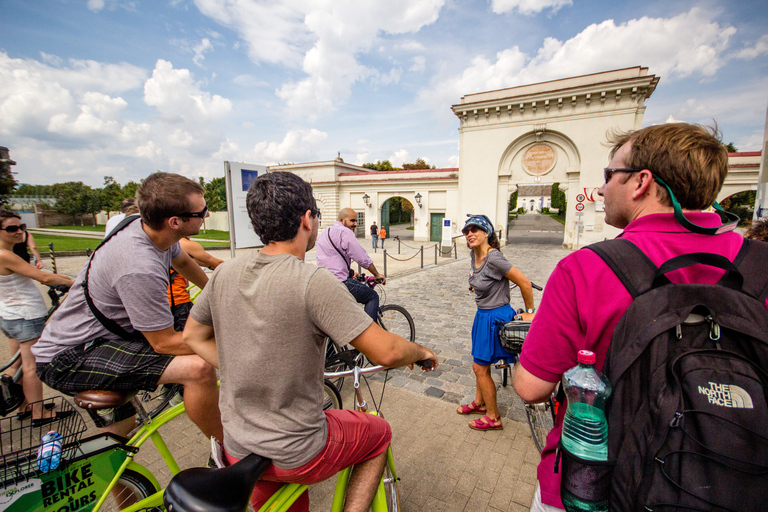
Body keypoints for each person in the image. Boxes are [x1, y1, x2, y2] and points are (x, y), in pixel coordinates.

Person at [512, 123, 768, 511]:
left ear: (640, 182)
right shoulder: (761, 266)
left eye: (609, 174)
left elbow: (531, 388)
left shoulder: (586, 268)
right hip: (735, 484)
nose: (601, 189)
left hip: (600, 485)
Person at [182, 171, 438, 512]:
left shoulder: (226, 272)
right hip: (297, 448)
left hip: (239, 445)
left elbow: (192, 336)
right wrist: (420, 351)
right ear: (307, 219)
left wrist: (240, 364)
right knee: (378, 433)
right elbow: (387, 351)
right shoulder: (311, 281)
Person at [33, 172, 223, 443]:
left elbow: (182, 261)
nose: (206, 214)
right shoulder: (139, 267)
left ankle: (112, 478)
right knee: (198, 369)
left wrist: (215, 295)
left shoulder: (146, 228)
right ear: (175, 221)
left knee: (123, 427)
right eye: (201, 211)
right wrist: (231, 347)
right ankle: (228, 452)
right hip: (69, 357)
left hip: (104, 340)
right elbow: (164, 343)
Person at [456, 214, 535, 431]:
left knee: (479, 367)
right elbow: (480, 279)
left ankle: (493, 417)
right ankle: (480, 403)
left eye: (475, 230)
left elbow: (525, 283)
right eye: (466, 231)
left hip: (496, 316)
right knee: (480, 363)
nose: (470, 234)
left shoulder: (494, 258)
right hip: (483, 315)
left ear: (487, 233)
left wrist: (530, 312)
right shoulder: (475, 255)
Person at [0, 210, 74, 425]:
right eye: (12, 228)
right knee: (32, 367)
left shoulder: (7, 253)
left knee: (19, 366)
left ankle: (23, 406)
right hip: (25, 316)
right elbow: (43, 277)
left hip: (10, 316)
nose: (19, 232)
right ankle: (39, 413)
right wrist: (73, 283)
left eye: (21, 227)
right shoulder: (5, 255)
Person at [316, 208, 386, 321]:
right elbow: (362, 258)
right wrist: (377, 274)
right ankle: (368, 336)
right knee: (372, 296)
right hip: (339, 282)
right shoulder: (345, 232)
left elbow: (331, 261)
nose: (356, 224)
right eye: (352, 221)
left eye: (356, 220)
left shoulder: (325, 232)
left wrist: (351, 272)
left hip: (323, 280)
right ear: (342, 220)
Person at [168, 237, 224, 331]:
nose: (202, 222)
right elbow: (217, 263)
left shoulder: (166, 242)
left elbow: (191, 261)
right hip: (178, 302)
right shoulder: (187, 244)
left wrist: (209, 265)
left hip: (160, 302)